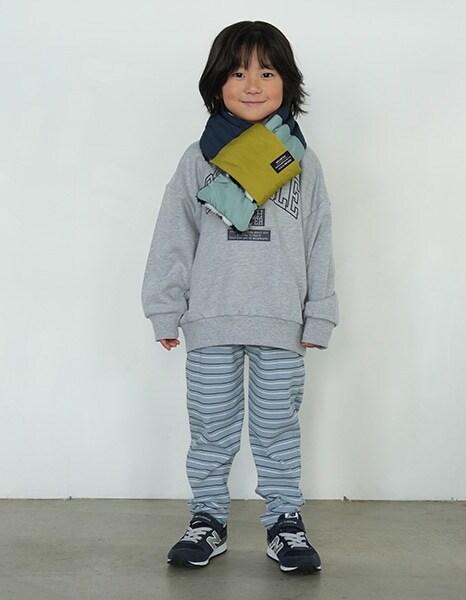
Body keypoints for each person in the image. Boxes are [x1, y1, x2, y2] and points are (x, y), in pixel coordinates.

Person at [141, 20, 338, 574]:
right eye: (237, 72)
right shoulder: (197, 159)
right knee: (211, 428)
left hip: (280, 320)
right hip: (211, 320)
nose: (252, 85)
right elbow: (173, 236)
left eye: (267, 72)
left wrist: (319, 315)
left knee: (277, 430)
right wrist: (165, 307)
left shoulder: (302, 161)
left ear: (287, 82)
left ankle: (285, 523)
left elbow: (319, 239)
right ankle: (207, 520)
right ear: (216, 83)